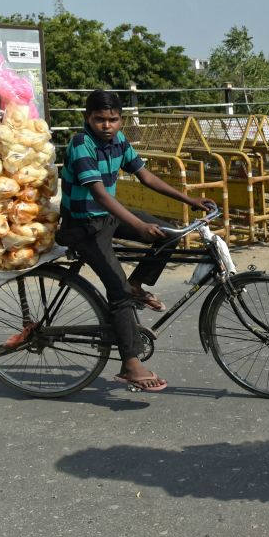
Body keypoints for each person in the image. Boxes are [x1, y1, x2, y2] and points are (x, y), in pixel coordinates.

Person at [55, 90, 215, 392]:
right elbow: (100, 193)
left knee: (168, 235)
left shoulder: (119, 141)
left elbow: (146, 177)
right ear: (87, 118)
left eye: (113, 119)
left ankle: (137, 285)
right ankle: (130, 363)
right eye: (99, 119)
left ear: (121, 120)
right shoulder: (81, 144)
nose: (106, 125)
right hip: (82, 226)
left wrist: (189, 199)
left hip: (107, 218)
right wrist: (139, 225)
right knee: (118, 291)